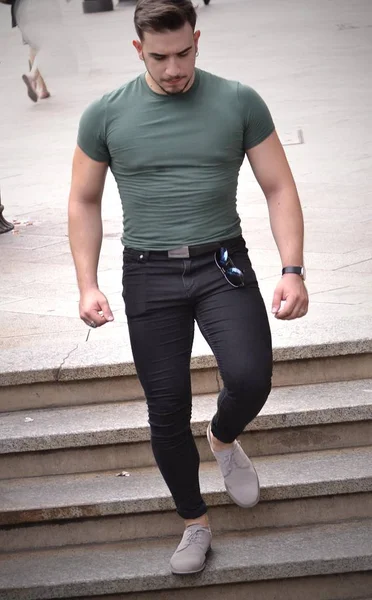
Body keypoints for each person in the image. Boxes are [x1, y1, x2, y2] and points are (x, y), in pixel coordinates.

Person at [68, 0, 308, 576]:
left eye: (184, 53)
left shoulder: (238, 101)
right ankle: (194, 523)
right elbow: (83, 200)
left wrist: (292, 268)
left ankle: (223, 438)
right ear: (137, 50)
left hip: (221, 261)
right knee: (166, 408)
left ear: (196, 40)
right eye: (160, 57)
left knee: (251, 376)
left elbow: (279, 185)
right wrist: (86, 284)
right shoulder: (105, 114)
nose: (174, 68)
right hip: (148, 271)